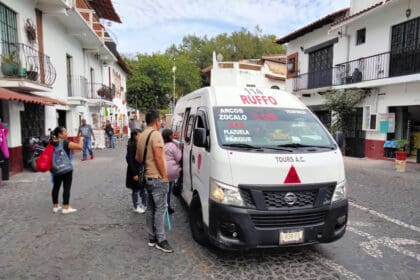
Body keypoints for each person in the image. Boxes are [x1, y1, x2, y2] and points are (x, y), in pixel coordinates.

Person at [135, 110, 173, 253]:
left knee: (151, 208)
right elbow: (158, 157)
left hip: (147, 178)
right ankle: (161, 240)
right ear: (157, 121)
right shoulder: (156, 135)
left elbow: (138, 158)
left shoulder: (142, 135)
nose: (162, 122)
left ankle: (152, 238)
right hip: (157, 178)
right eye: (161, 120)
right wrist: (164, 176)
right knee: (160, 209)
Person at [50, 126, 83, 214]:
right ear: (60, 134)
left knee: (56, 186)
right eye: (65, 132)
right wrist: (81, 139)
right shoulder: (65, 142)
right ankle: (65, 207)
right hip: (66, 169)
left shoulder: (51, 142)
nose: (67, 133)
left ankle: (55, 206)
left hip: (56, 168)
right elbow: (80, 147)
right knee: (66, 187)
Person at [126, 129, 147, 213]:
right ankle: (136, 206)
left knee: (143, 188)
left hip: (141, 170)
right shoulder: (132, 145)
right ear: (135, 136)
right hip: (134, 171)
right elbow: (129, 160)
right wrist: (134, 174)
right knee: (135, 190)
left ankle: (144, 204)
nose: (141, 137)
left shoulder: (139, 144)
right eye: (139, 135)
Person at [161, 128, 181, 214]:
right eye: (172, 134)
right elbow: (178, 158)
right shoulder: (172, 146)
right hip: (170, 171)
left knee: (162, 190)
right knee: (168, 190)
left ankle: (162, 206)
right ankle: (167, 207)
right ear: (169, 136)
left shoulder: (161, 145)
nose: (173, 136)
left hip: (161, 170)